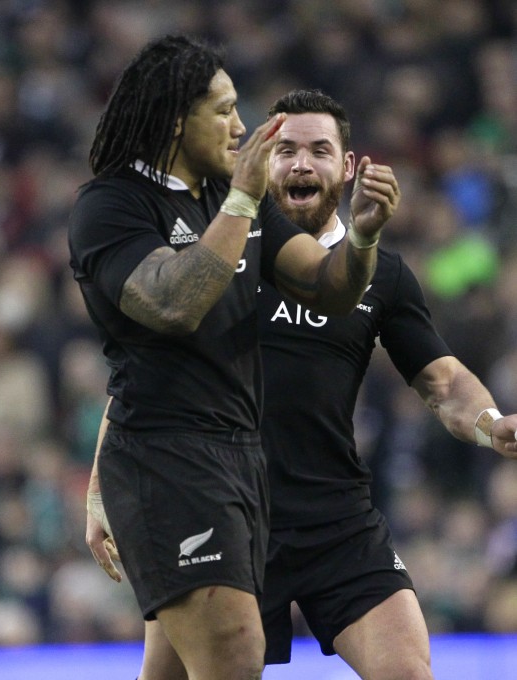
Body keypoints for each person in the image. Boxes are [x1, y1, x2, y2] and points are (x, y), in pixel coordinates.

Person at [86, 89, 517, 679]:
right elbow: (144, 375)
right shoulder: (218, 259)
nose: (300, 163)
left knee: (410, 673)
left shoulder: (381, 275)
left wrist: (491, 424)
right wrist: (97, 491)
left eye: (319, 149)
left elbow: (442, 380)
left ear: (347, 167)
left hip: (335, 519)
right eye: (284, 149)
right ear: (262, 163)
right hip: (221, 512)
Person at [68, 33, 399, 679]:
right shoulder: (111, 205)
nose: (241, 126)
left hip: (241, 460)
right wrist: (245, 200)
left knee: (179, 669)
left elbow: (326, 289)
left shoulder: (224, 194)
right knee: (234, 656)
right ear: (173, 119)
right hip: (167, 459)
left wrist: (361, 237)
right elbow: (171, 303)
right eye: (222, 110)